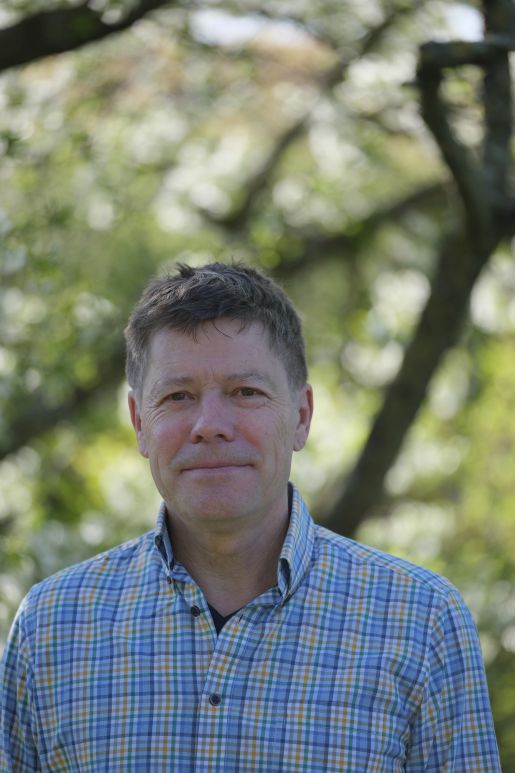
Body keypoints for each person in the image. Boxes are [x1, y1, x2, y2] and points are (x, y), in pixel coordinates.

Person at [0, 262, 500, 772]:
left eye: (246, 392)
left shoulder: (421, 622)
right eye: (177, 396)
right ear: (139, 423)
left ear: (301, 416)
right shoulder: (51, 628)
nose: (210, 425)